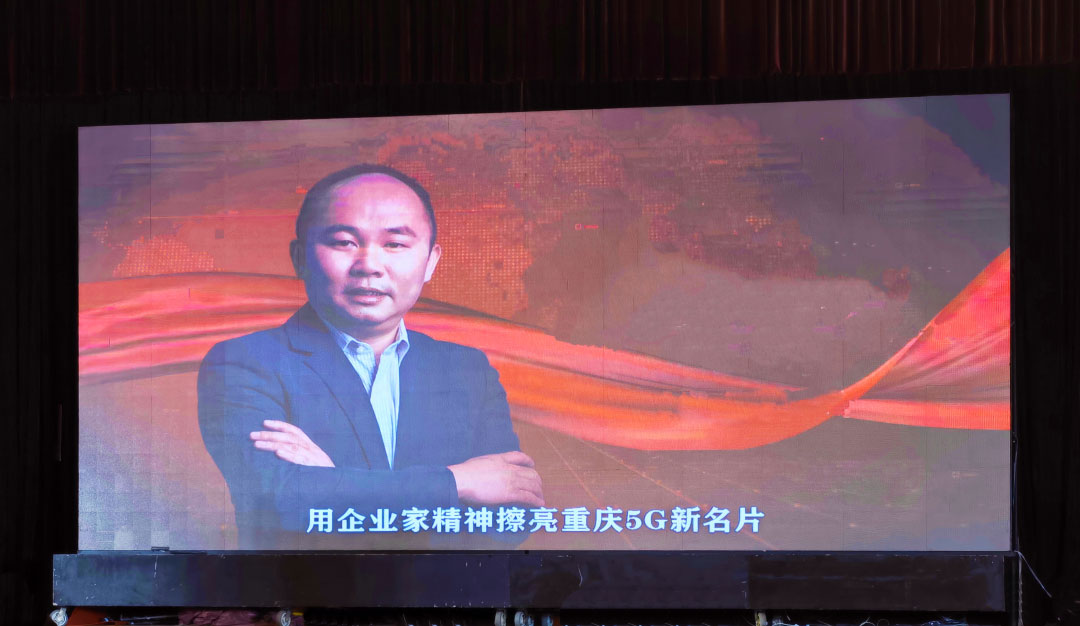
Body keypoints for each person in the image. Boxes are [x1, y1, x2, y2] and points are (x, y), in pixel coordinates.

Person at [198, 164, 543, 549]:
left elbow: (513, 517)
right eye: (344, 242)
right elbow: (282, 502)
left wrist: (334, 485)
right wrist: (460, 481)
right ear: (300, 258)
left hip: (440, 590)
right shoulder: (245, 363)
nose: (369, 266)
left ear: (430, 261)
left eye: (395, 244)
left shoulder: (467, 369)